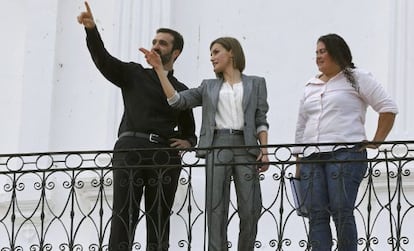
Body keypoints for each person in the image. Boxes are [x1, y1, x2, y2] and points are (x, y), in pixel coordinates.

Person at [77, 2, 197, 250]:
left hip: (164, 156)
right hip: (130, 150)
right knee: (123, 217)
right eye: (155, 41)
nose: (155, 46)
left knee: (159, 221)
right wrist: (92, 30)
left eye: (163, 43)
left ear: (176, 53)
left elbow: (189, 132)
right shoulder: (133, 73)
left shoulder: (181, 90)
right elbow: (104, 61)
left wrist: (188, 142)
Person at [140, 36, 270, 251]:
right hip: (216, 146)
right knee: (216, 209)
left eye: (216, 52)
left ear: (232, 53)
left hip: (246, 148)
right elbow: (177, 101)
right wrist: (160, 72)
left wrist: (264, 151)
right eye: (210, 53)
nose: (212, 57)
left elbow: (260, 119)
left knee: (251, 208)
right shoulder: (207, 86)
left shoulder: (256, 83)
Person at [293, 33, 398, 251]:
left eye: (323, 51)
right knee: (316, 213)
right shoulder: (310, 85)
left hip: (345, 155)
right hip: (312, 158)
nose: (318, 56)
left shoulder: (357, 77)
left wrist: (376, 141)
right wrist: (298, 161)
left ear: (337, 52)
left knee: (341, 211)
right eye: (316, 53)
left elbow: (387, 108)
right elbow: (301, 125)